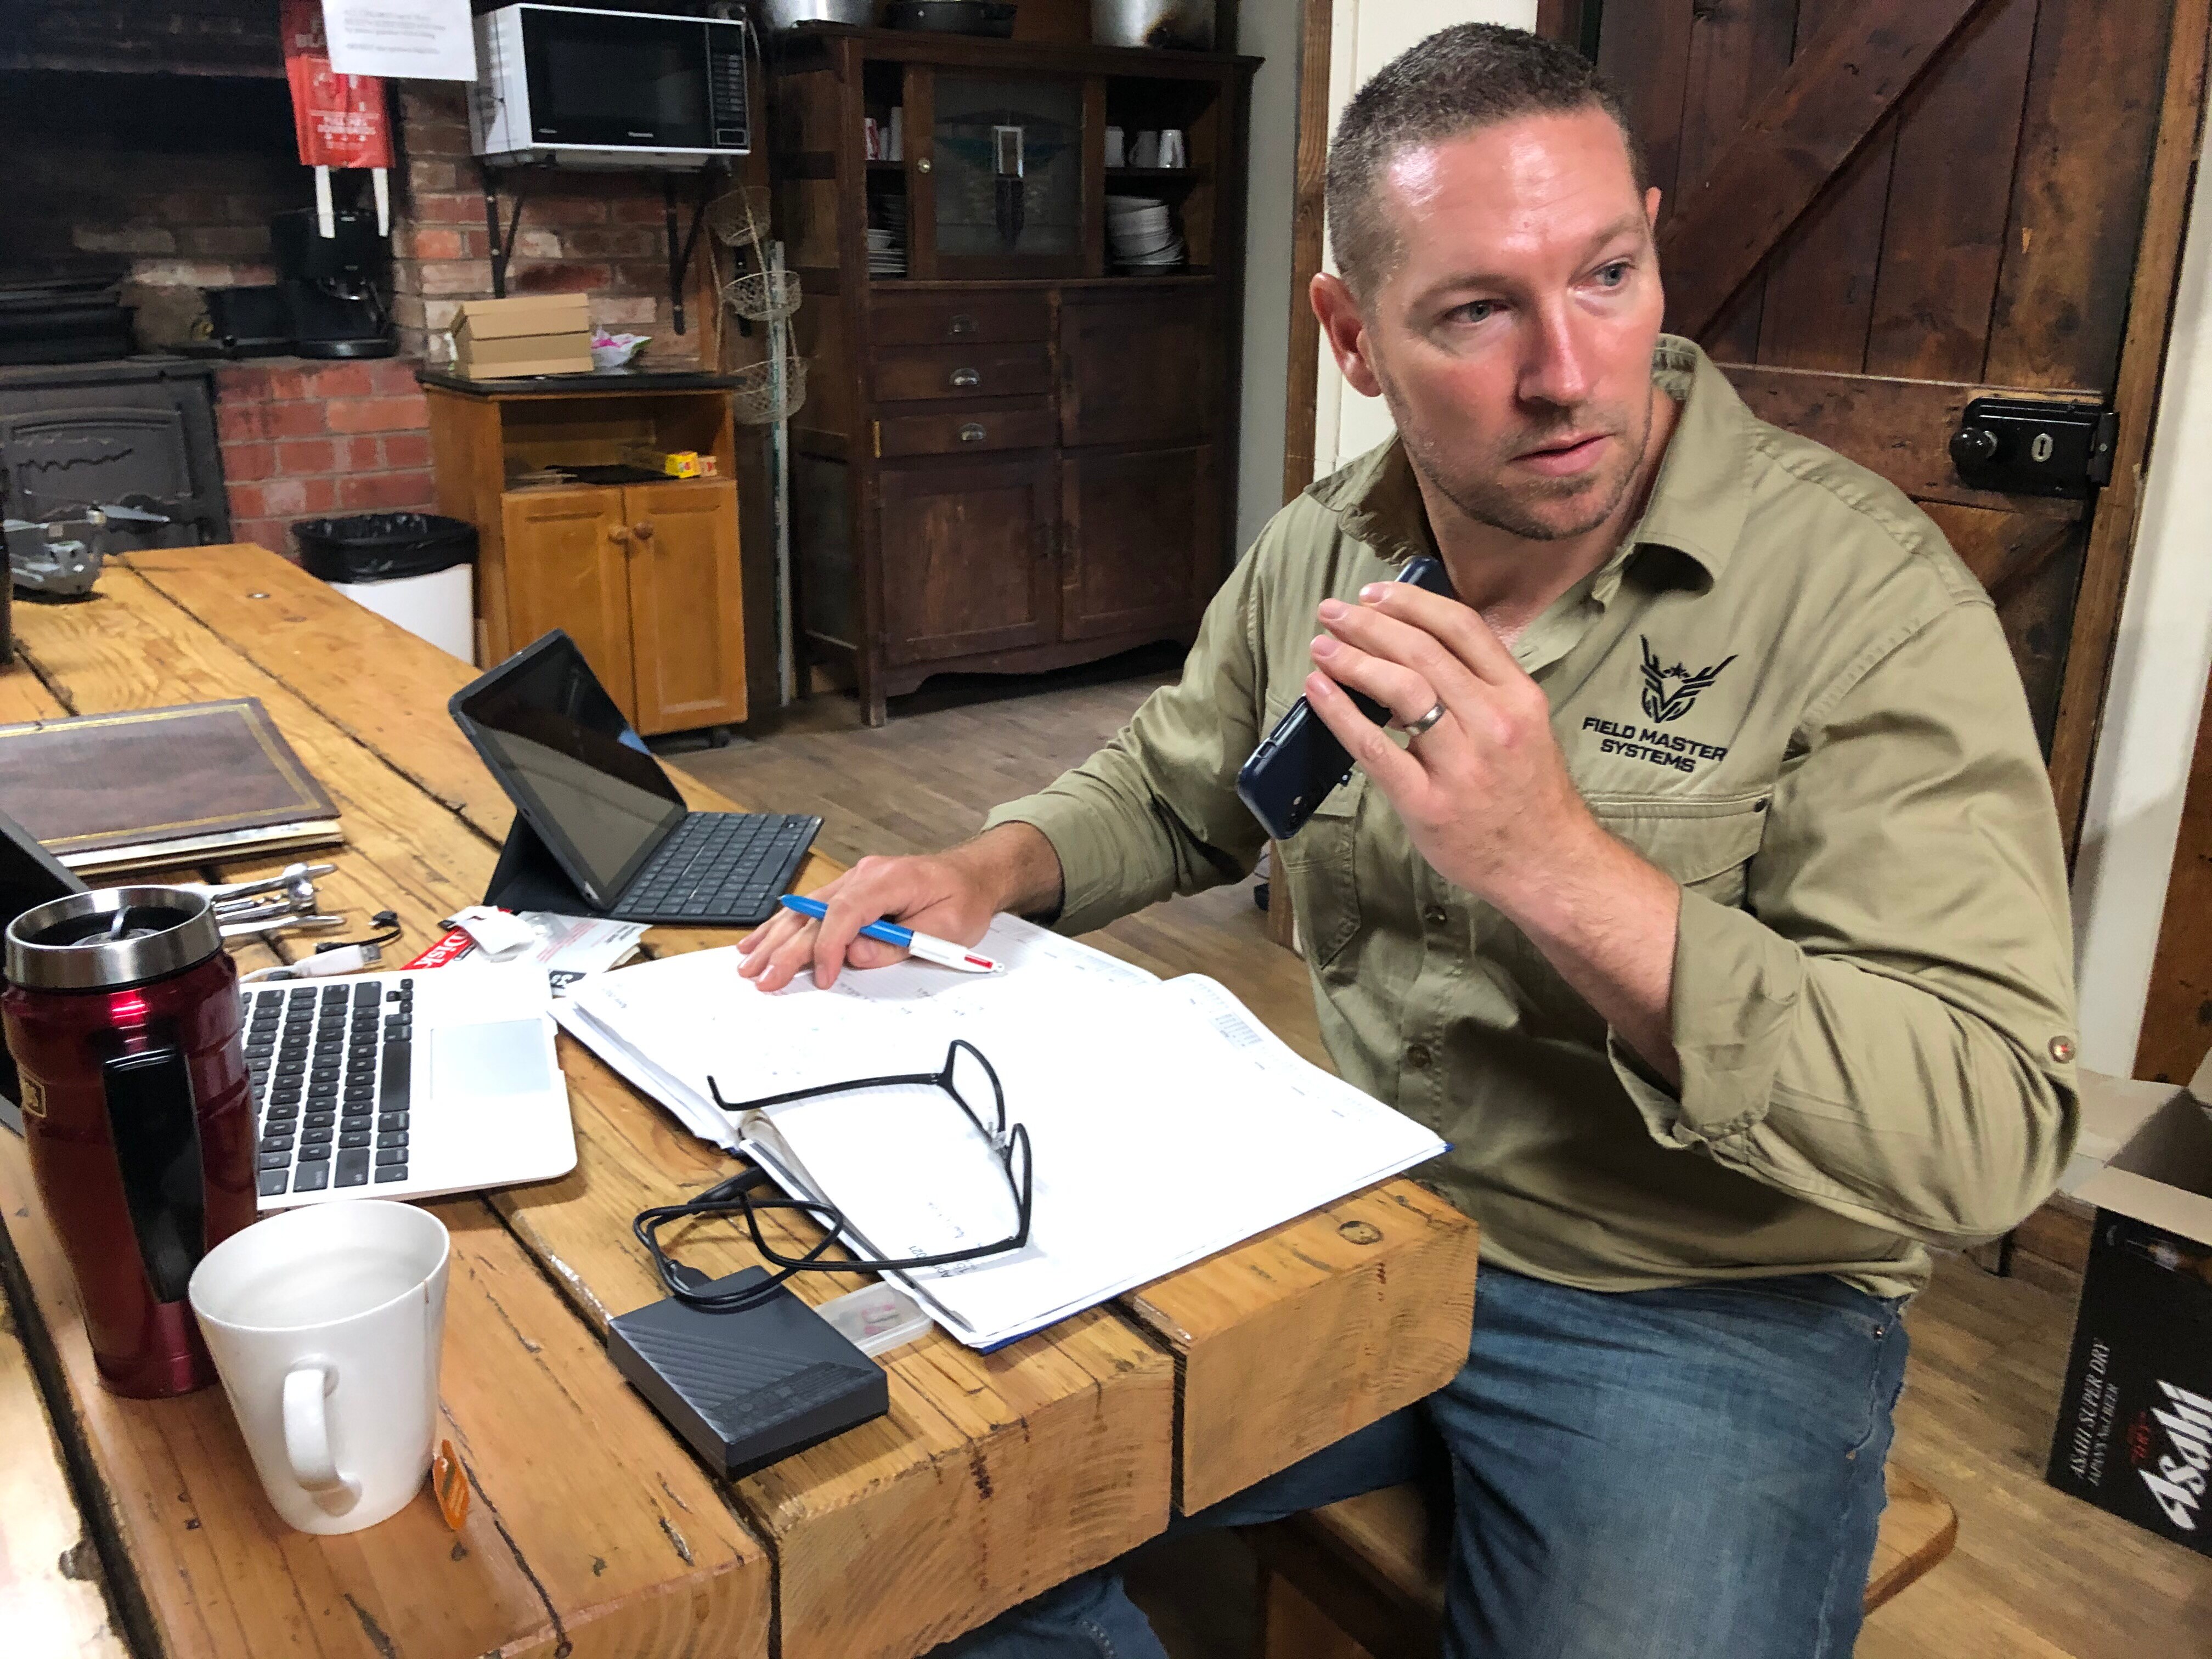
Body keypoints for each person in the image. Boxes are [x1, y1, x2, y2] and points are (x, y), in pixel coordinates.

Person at [738, 23, 2078, 1659]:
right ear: (1353, 337)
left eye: (1608, 274)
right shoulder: (1329, 543)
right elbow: (1184, 786)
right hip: (1351, 1210)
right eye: (1474, 312)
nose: (1572, 372)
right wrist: (986, 871)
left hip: (1702, 1303)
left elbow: (1994, 1131)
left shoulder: (1863, 602)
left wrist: (1558, 862)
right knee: (895, 1515)